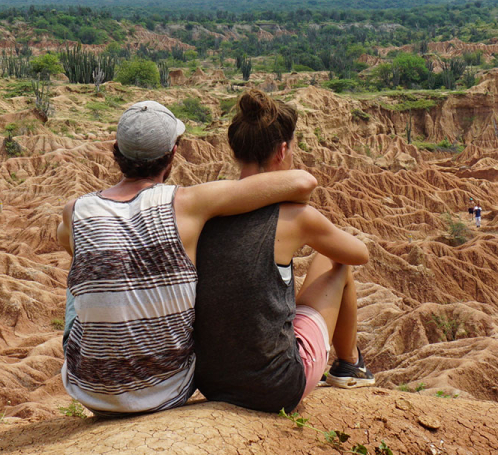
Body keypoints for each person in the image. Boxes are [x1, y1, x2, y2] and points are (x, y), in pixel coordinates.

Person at [60, 100, 319, 415]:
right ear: (172, 155)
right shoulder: (187, 203)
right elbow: (303, 182)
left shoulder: (75, 211)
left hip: (92, 393)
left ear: (117, 150)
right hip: (170, 388)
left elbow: (74, 247)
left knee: (83, 273)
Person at [193, 89, 373, 414]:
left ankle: (348, 365)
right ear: (283, 150)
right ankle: (350, 366)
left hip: (211, 381)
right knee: (337, 261)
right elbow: (359, 254)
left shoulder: (204, 211)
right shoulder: (294, 218)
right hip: (276, 388)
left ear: (235, 151)